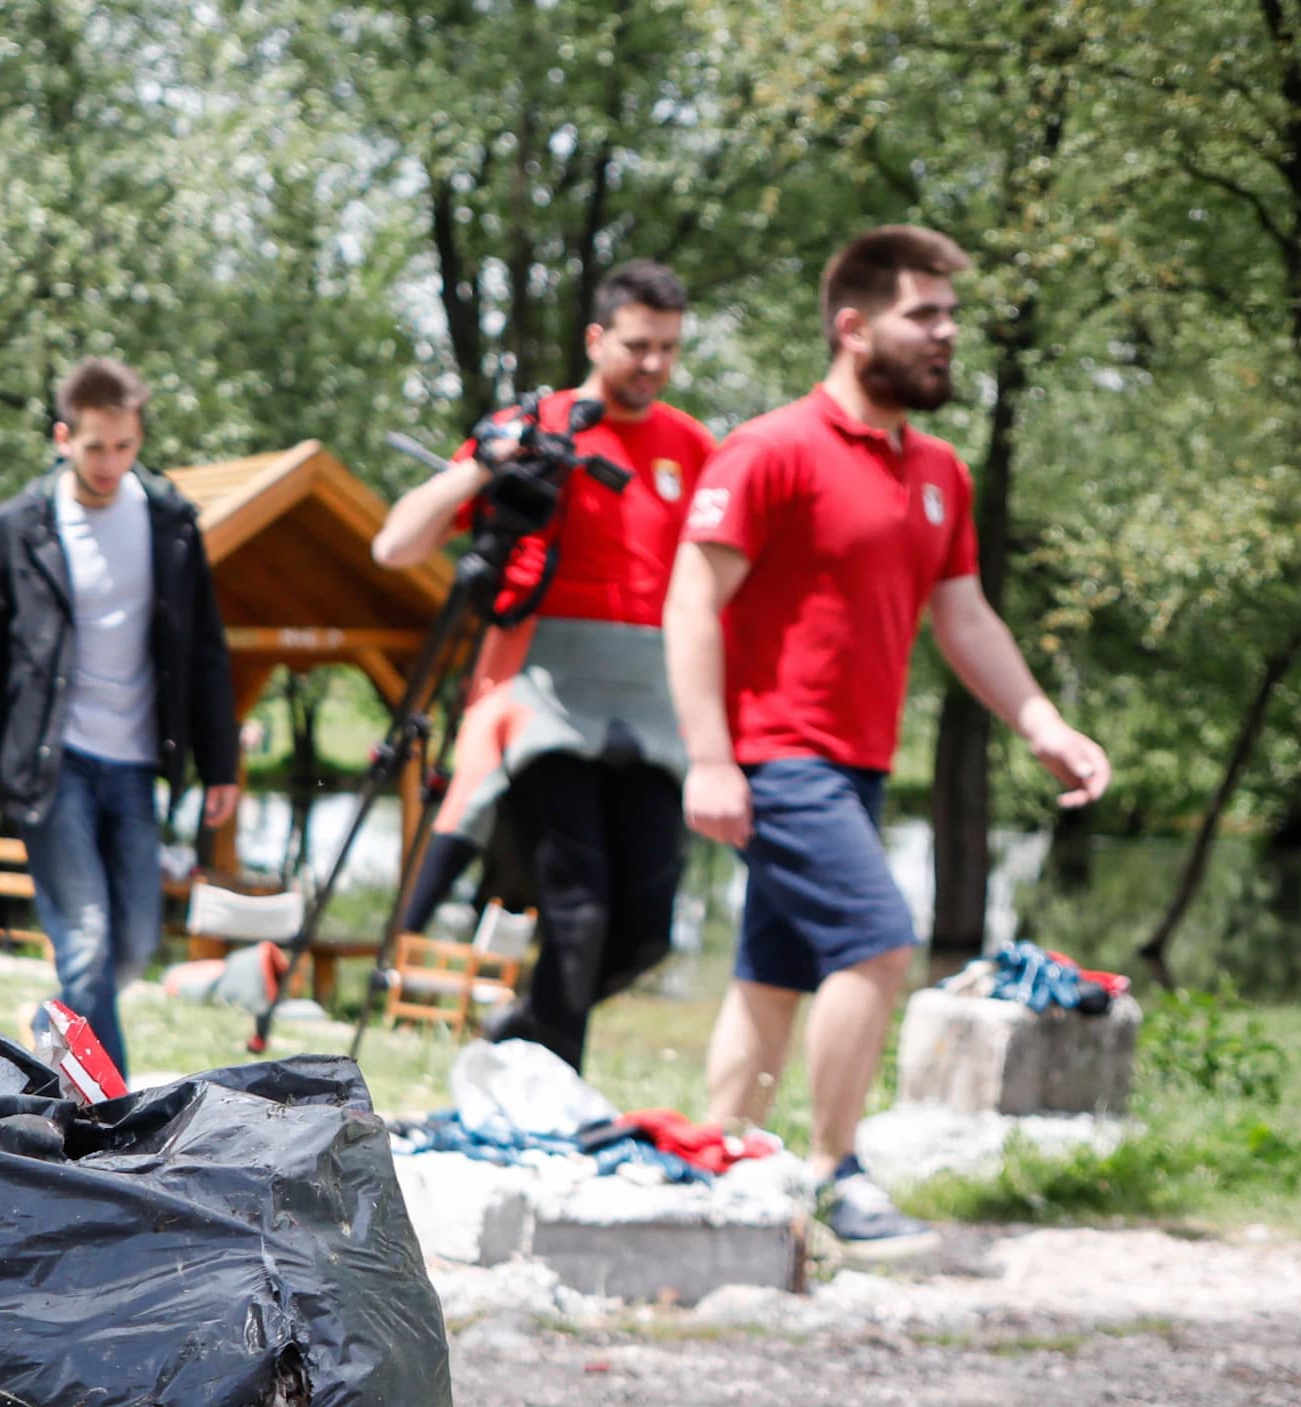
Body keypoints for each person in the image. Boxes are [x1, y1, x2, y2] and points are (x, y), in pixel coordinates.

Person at [666, 225, 1109, 1257]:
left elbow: (965, 617)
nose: (947, 335)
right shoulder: (772, 449)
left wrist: (1040, 720)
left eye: (952, 316)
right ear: (854, 325)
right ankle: (832, 1173)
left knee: (771, 975)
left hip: (856, 762)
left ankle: (719, 1167)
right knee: (875, 941)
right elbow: (691, 602)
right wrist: (710, 755)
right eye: (926, 315)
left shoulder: (939, 471)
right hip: (778, 752)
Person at [373, 261, 715, 1068]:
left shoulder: (691, 447)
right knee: (578, 908)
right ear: (597, 339)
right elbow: (395, 545)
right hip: (545, 701)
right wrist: (490, 461)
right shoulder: (539, 425)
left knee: (648, 928)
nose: (653, 365)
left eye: (668, 348)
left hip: (652, 705)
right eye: (637, 345)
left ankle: (520, 1030)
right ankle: (551, 1091)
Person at [0, 357, 240, 1075]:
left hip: (136, 761)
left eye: (125, 446)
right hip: (50, 764)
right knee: (89, 939)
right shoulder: (19, 527)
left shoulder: (170, 523)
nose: (110, 463)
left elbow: (204, 650)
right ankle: (114, 1108)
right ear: (63, 437)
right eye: (96, 446)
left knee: (134, 943)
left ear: (139, 439)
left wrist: (221, 760)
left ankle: (54, 1021)